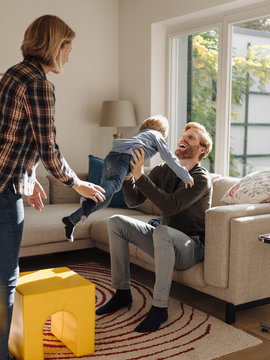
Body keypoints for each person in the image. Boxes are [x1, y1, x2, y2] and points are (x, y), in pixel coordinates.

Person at [0, 15, 105, 360]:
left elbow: (14, 138)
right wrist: (78, 184)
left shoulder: (12, 74)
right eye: (68, 47)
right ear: (54, 46)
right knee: (7, 278)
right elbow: (48, 147)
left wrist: (28, 182)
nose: (70, 55)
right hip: (3, 191)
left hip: (9, 182)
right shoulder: (39, 83)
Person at [95, 121, 213, 333]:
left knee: (162, 230)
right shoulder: (163, 170)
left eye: (191, 137)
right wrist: (128, 175)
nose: (183, 139)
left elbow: (170, 206)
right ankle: (122, 293)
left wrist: (141, 176)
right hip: (163, 239)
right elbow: (134, 201)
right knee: (116, 222)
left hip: (190, 247)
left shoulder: (200, 178)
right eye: (183, 136)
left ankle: (160, 308)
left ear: (201, 150)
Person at [62, 115, 194, 242]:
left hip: (111, 157)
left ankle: (71, 220)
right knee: (114, 184)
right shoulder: (156, 135)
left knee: (105, 199)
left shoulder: (141, 135)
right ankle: (89, 198)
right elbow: (168, 156)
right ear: (162, 130)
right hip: (123, 158)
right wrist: (185, 175)